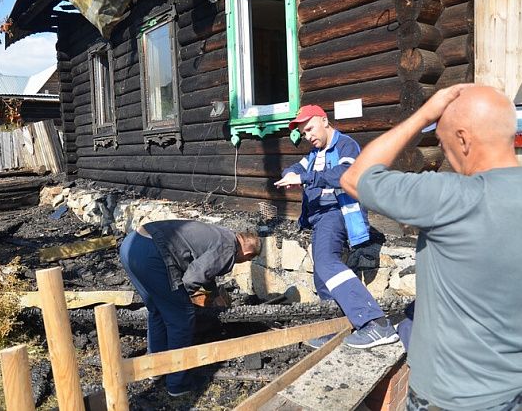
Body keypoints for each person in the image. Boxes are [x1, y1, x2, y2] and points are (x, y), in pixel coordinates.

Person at [340, 84, 522, 410]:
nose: (444, 152)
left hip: (450, 397)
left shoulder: (450, 197)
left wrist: (424, 113)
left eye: (442, 141)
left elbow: (355, 176)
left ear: (463, 139)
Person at [274, 105, 399, 349]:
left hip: (336, 213)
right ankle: (335, 327)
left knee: (327, 263)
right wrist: (291, 175)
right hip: (318, 218)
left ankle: (375, 323)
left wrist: (306, 178)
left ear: (324, 120)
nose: (307, 136)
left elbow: (346, 172)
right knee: (322, 275)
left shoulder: (346, 145)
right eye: (303, 132)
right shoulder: (313, 154)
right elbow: (296, 168)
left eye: (309, 128)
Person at [118, 219, 261, 397]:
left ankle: (155, 367)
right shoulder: (229, 249)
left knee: (157, 310)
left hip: (131, 246)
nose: (242, 262)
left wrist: (213, 294)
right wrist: (182, 299)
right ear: (247, 253)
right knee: (182, 317)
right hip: (151, 255)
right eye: (247, 260)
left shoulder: (223, 235)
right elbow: (195, 276)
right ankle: (178, 383)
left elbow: (207, 267)